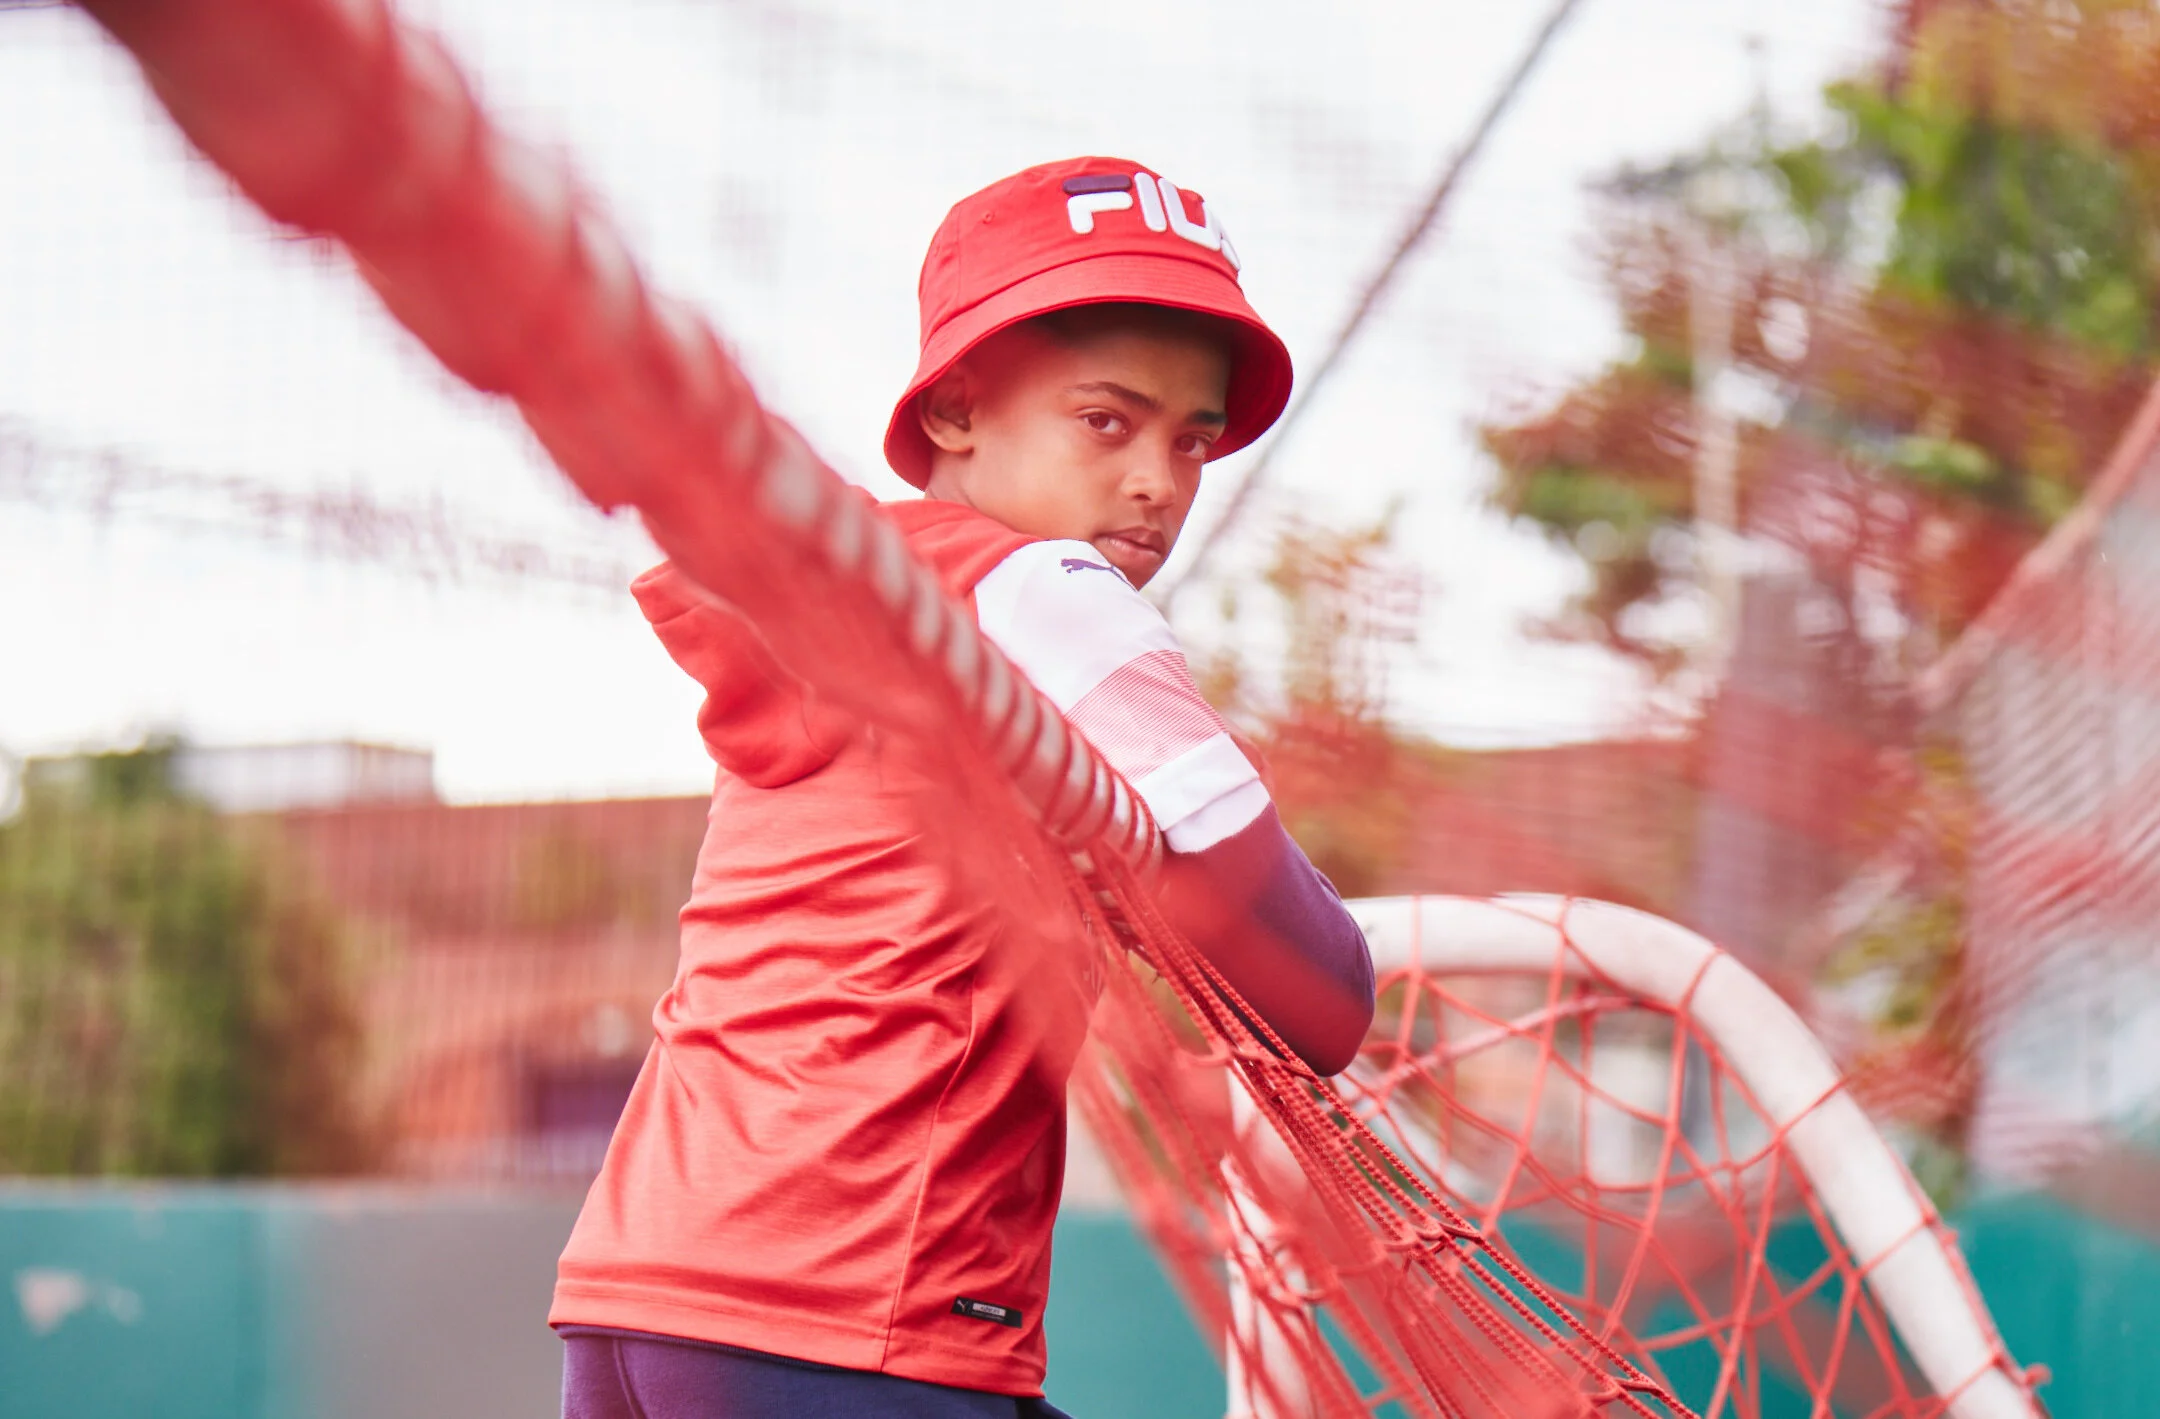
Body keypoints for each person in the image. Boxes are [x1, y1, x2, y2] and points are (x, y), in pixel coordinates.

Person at [552, 156, 1375, 1419]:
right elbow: (1324, 994)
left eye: (1192, 440)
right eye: (1106, 422)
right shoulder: (1045, 587)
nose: (1157, 482)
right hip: (852, 1299)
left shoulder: (852, 598)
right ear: (954, 412)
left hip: (643, 1289)